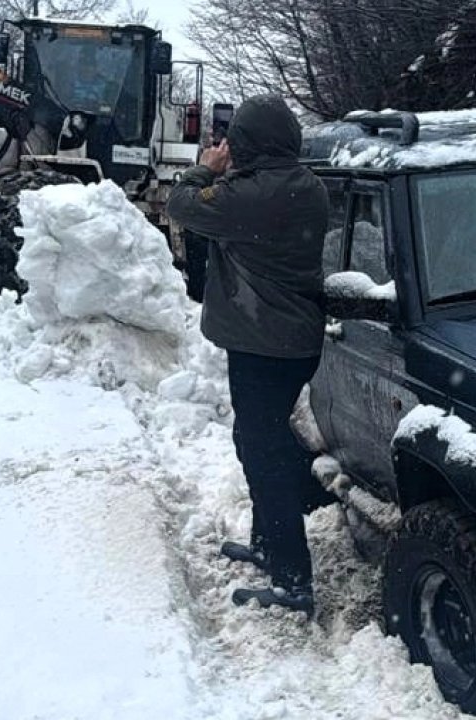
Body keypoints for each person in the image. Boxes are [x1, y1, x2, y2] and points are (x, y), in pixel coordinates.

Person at [166, 95, 330, 615]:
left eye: (235, 138)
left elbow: (181, 205)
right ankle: (267, 544)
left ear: (248, 144)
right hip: (288, 340)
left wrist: (204, 168)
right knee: (263, 439)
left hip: (264, 345)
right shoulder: (307, 184)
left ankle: (292, 580)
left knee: (264, 455)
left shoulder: (251, 195)